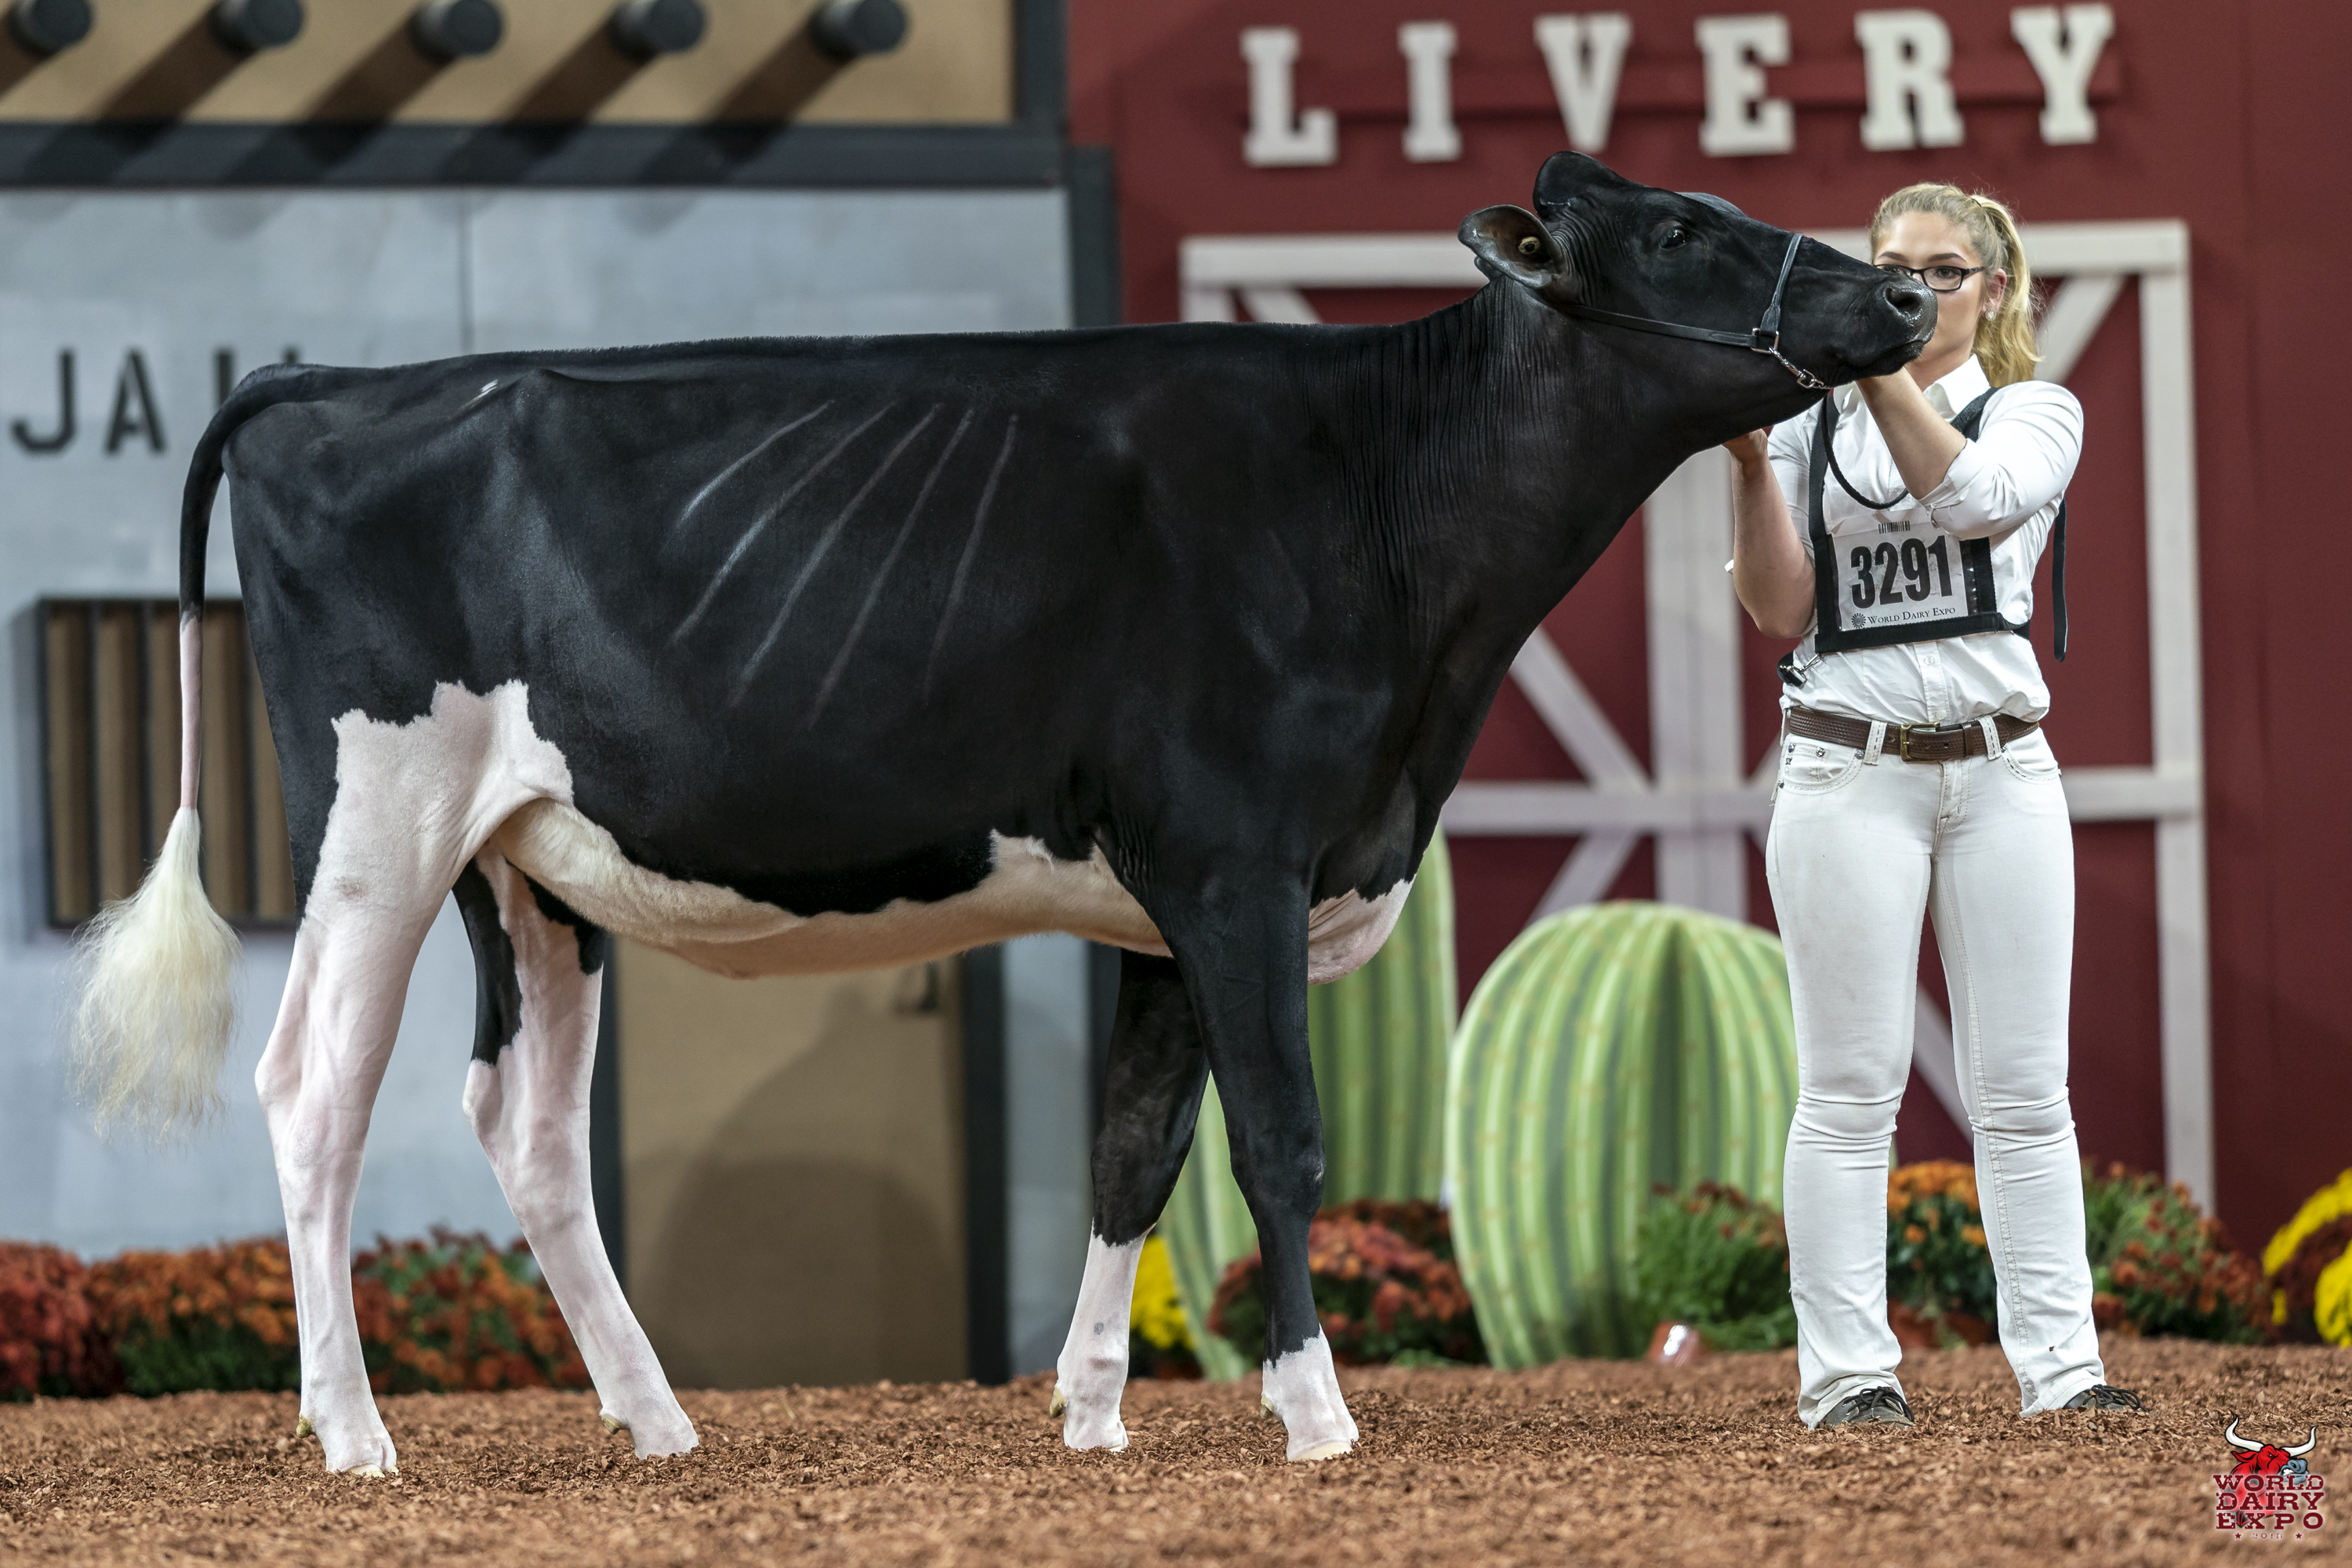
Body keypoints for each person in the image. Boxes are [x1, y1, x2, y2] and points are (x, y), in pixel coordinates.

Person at [1724, 183, 2147, 1429]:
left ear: (1994, 290)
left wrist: (1869, 362)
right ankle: (1849, 1378)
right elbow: (1778, 609)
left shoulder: (2033, 409)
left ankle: (2063, 1374)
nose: (1911, 290)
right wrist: (1749, 466)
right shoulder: (1807, 425)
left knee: (2023, 1092)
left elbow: (1972, 500)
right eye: (1889, 271)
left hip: (2002, 770)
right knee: (1848, 1090)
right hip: (1846, 768)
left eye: (1941, 272)